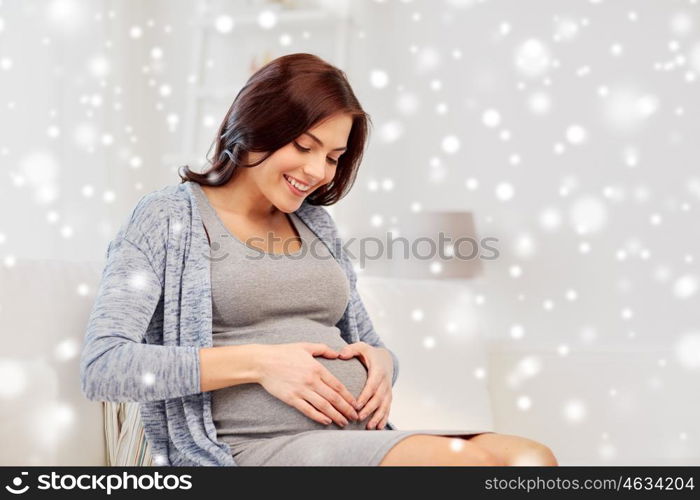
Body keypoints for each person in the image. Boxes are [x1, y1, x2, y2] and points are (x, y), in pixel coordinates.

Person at [81, 52, 558, 466]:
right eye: (304, 147)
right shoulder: (167, 217)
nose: (316, 172)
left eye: (332, 157)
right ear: (255, 126)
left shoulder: (314, 224)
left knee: (531, 458)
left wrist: (381, 364)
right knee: (465, 465)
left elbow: (370, 344)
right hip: (255, 449)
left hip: (356, 437)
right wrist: (260, 364)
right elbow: (104, 367)